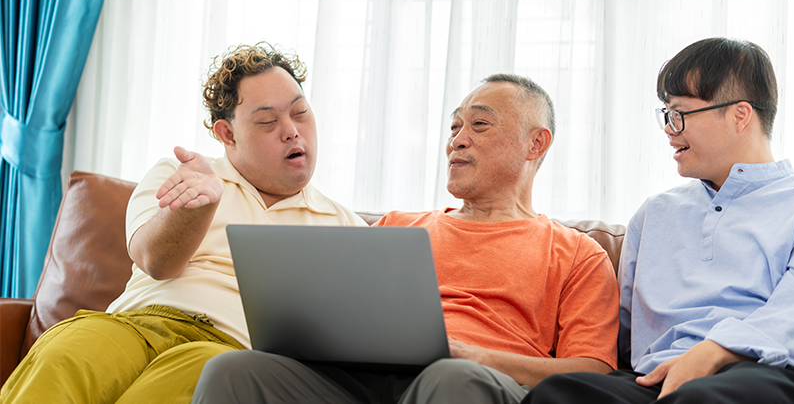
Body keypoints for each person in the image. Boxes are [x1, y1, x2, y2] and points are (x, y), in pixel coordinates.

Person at [191, 73, 620, 404]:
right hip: (363, 382)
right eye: (454, 127)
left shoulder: (577, 251)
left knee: (449, 377)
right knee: (232, 370)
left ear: (535, 144)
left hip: (476, 383)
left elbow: (592, 371)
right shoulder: (399, 226)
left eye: (480, 125)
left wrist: (475, 356)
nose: (457, 140)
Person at [0, 43, 366, 403]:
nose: (291, 130)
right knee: (65, 355)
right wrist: (195, 210)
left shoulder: (344, 225)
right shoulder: (182, 177)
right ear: (227, 134)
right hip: (133, 323)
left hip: (228, 348)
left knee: (191, 378)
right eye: (268, 121)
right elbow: (154, 261)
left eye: (300, 113)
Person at [523, 37, 794, 404]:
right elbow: (620, 331)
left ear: (740, 115)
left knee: (706, 397)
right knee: (558, 393)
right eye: (666, 115)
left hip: (761, 370)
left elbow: (791, 312)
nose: (670, 129)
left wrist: (714, 350)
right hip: (653, 378)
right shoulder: (655, 213)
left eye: (680, 114)